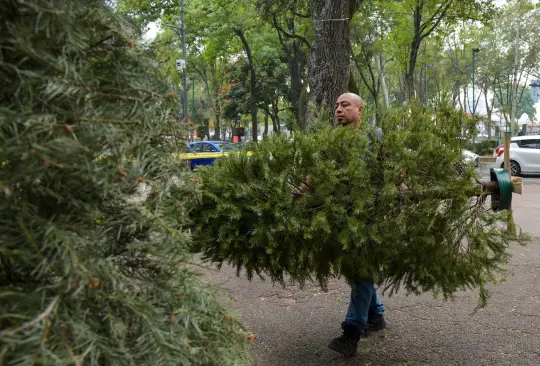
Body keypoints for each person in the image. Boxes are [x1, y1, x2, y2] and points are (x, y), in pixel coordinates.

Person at [327, 93, 387, 357]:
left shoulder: (375, 135)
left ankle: (352, 333)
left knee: (362, 270)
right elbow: (317, 169)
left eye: (345, 105)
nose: (339, 109)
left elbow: (391, 165)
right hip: (343, 217)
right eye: (337, 106)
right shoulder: (333, 139)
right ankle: (376, 315)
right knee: (357, 269)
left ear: (360, 110)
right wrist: (303, 188)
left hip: (370, 215)